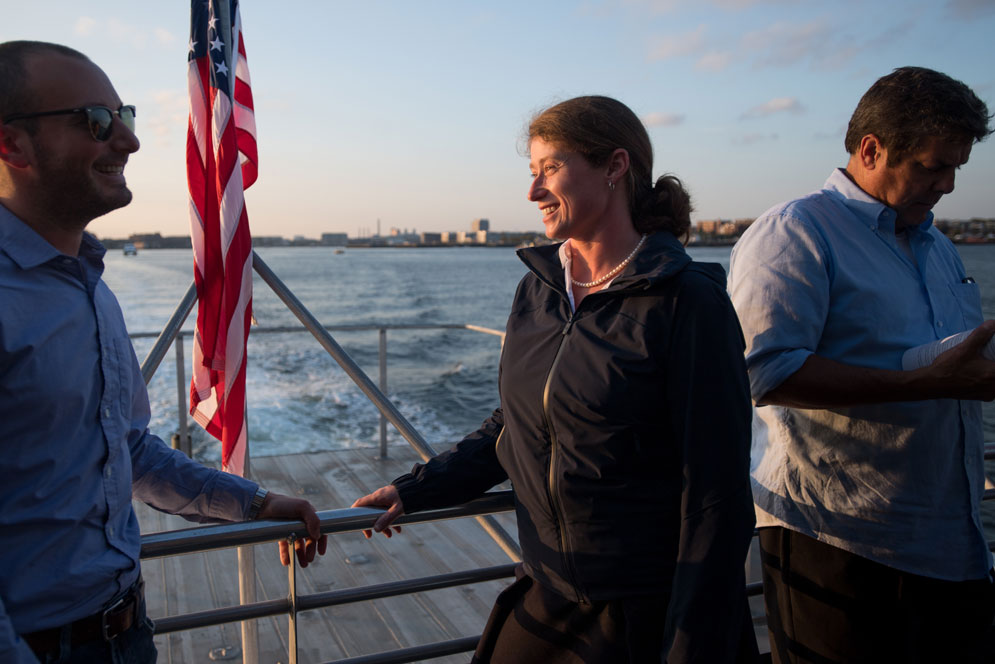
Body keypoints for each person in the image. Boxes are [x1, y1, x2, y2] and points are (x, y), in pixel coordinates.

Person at [353, 95, 757, 663]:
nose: (533, 191)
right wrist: (416, 489)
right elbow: (516, 424)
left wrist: (690, 646)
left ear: (615, 167)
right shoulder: (539, 291)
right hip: (548, 599)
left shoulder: (688, 303)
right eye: (532, 172)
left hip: (648, 615)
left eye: (551, 169)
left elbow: (717, 498)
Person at [0, 40, 327, 663]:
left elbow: (124, 447)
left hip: (126, 631)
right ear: (12, 144)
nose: (129, 141)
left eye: (124, 117)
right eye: (97, 122)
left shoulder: (89, 289)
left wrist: (254, 503)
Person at [727, 66, 995, 663]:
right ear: (871, 150)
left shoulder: (939, 246)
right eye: (933, 166)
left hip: (952, 543)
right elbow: (763, 372)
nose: (949, 184)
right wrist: (922, 382)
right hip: (842, 543)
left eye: (958, 168)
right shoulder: (795, 232)